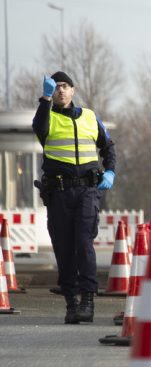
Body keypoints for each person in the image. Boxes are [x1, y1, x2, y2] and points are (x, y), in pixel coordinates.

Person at [32, 71, 117, 324]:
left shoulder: (90, 117)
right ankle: (71, 301)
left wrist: (110, 170)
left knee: (84, 242)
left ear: (73, 90)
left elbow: (108, 146)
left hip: (87, 191)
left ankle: (88, 300)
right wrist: (44, 99)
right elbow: (39, 128)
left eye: (64, 86)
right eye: (55, 87)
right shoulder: (47, 116)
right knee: (64, 247)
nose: (60, 90)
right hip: (58, 192)